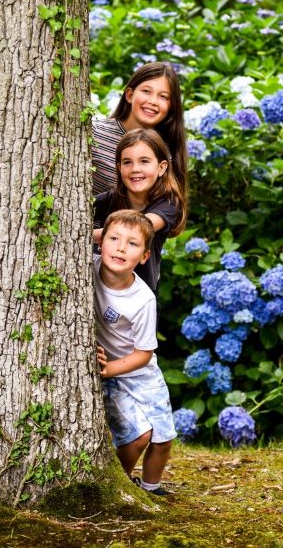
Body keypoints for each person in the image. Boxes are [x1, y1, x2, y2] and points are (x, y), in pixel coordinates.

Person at [94, 209, 176, 496]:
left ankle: (151, 488)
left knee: (163, 437)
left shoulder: (142, 300)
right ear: (101, 242)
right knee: (137, 436)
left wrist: (109, 369)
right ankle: (117, 484)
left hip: (139, 372)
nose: (120, 247)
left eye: (132, 243)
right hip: (113, 377)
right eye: (114, 238)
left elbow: (143, 353)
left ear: (143, 257)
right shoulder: (86, 270)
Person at [93, 129, 187, 292]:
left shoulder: (169, 204)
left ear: (161, 167)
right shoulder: (108, 200)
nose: (135, 168)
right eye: (127, 162)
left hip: (136, 302)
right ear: (119, 167)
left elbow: (138, 228)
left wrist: (82, 236)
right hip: (100, 293)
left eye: (144, 161)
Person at [91, 61, 188, 198]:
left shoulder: (166, 153)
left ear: (171, 106)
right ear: (130, 95)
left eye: (163, 96)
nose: (153, 101)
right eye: (146, 91)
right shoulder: (95, 134)